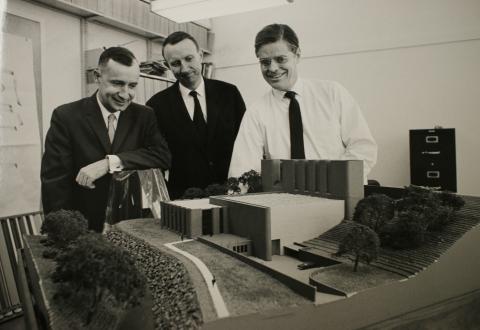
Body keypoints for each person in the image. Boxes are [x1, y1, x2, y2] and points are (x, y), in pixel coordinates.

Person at [41, 47, 171, 232]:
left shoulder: (144, 116)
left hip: (133, 226)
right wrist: (64, 232)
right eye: (117, 83)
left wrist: (110, 163)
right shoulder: (66, 116)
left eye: (132, 85)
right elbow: (54, 185)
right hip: (85, 227)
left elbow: (161, 156)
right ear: (97, 76)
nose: (125, 94)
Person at [229, 24, 377, 182]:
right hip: (285, 201)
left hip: (339, 193)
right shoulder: (256, 112)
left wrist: (332, 181)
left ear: (297, 55)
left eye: (280, 59)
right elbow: (242, 170)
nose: (272, 68)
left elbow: (363, 147)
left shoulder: (332, 93)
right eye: (265, 62)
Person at [147, 32, 246, 199]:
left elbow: (245, 143)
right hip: (184, 198)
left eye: (189, 58)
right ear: (167, 65)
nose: (184, 68)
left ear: (200, 56)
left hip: (231, 194)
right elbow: (157, 159)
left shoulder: (229, 93)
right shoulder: (156, 106)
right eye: (176, 63)